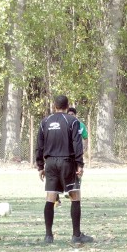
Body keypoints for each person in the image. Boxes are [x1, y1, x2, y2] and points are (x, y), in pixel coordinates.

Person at [35, 95, 94, 244]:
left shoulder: (45, 122)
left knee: (50, 197)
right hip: (67, 162)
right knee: (75, 196)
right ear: (67, 107)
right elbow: (77, 144)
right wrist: (80, 164)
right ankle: (76, 235)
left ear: (54, 106)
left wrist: (40, 166)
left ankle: (48, 236)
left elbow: (39, 146)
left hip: (51, 163)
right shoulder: (73, 121)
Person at [55, 106, 89, 208]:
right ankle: (57, 198)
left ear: (75, 115)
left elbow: (85, 137)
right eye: (69, 114)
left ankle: (75, 196)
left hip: (76, 154)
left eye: (72, 115)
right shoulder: (63, 124)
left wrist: (85, 147)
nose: (70, 116)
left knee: (78, 174)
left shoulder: (80, 125)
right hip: (64, 154)